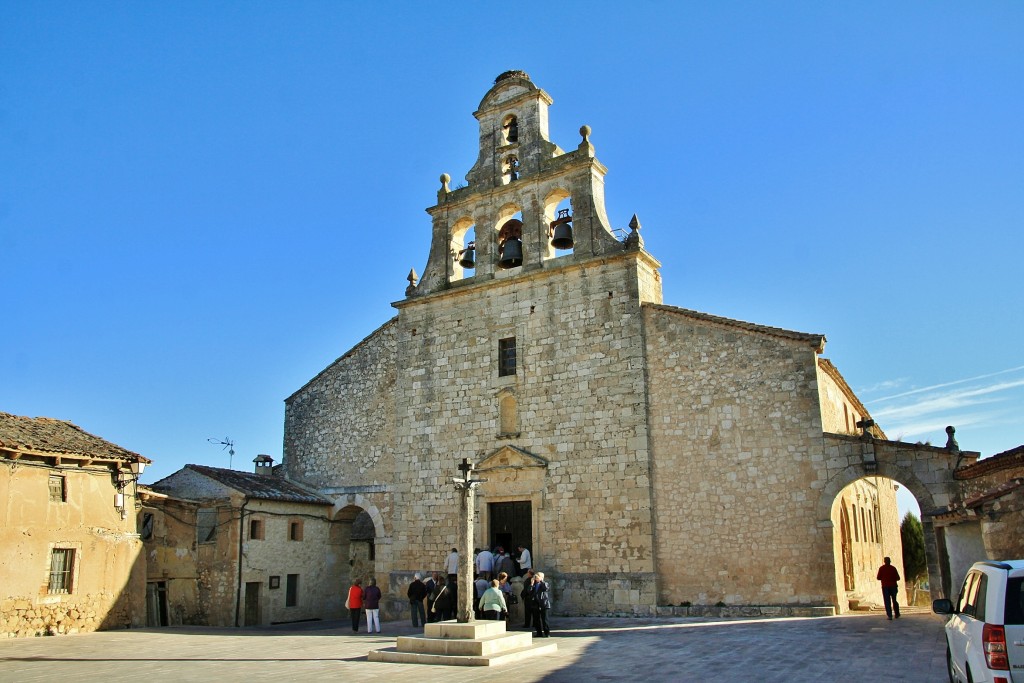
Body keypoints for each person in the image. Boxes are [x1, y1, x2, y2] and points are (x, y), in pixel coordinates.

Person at [532, 571, 551, 637]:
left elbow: (545, 588)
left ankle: (547, 632)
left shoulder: (545, 583)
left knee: (545, 619)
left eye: (537, 577)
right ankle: (539, 632)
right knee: (536, 619)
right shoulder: (534, 584)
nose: (536, 578)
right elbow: (529, 591)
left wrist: (541, 581)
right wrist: (531, 584)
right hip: (536, 603)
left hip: (544, 603)